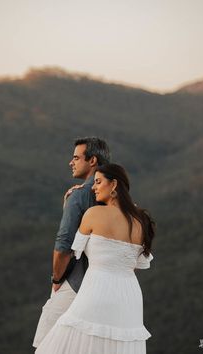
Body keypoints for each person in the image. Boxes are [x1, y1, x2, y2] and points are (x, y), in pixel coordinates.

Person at [35, 163, 155, 354]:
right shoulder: (142, 220)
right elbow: (135, 265)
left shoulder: (93, 214)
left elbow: (74, 250)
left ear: (113, 184)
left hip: (96, 290)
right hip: (129, 297)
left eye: (98, 182)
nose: (93, 187)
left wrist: (69, 205)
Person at [33, 137, 110, 348]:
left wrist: (56, 279)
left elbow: (63, 245)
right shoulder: (117, 197)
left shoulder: (79, 195)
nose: (70, 162)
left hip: (76, 281)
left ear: (92, 160)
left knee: (47, 343)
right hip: (107, 288)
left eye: (76, 157)